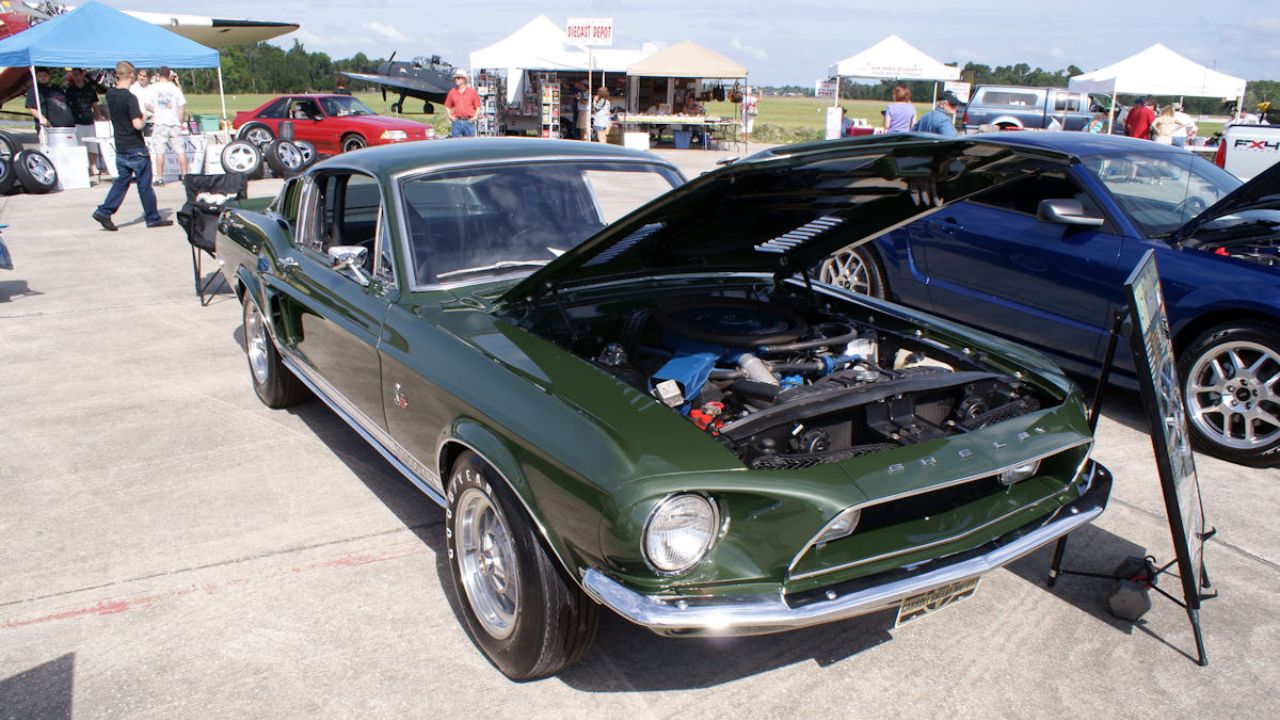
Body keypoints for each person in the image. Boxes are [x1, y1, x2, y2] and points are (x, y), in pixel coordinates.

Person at [92, 61, 172, 232]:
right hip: (135, 147)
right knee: (144, 185)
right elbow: (137, 125)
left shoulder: (111, 94)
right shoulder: (130, 98)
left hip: (120, 146)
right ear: (131, 75)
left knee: (121, 182)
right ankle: (152, 217)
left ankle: (104, 211)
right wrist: (145, 116)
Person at [146, 67, 187, 185]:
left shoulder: (153, 88)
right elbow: (181, 108)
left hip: (160, 122)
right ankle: (185, 176)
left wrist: (157, 111)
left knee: (160, 151)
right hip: (174, 122)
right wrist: (180, 122)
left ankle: (160, 177)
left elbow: (147, 105)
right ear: (169, 75)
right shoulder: (175, 88)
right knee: (180, 151)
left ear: (158, 75)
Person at [65, 68, 101, 175]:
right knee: (80, 146)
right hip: (77, 121)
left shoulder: (90, 89)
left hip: (89, 119)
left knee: (92, 145)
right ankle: (84, 167)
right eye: (74, 75)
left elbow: (94, 104)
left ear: (82, 75)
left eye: (78, 74)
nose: (76, 77)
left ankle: (94, 166)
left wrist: (97, 115)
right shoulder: (70, 90)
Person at [25, 67, 75, 135]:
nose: (43, 78)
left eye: (45, 76)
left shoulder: (57, 88)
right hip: (50, 128)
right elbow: (31, 107)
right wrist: (43, 120)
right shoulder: (35, 90)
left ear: (49, 76)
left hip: (68, 127)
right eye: (40, 76)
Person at [444, 68, 480, 137]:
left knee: (470, 145)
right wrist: (450, 116)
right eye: (455, 78)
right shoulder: (452, 92)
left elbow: (478, 106)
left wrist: (475, 116)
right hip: (457, 122)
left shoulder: (472, 92)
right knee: (456, 145)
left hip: (469, 122)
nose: (456, 80)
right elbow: (447, 105)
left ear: (464, 79)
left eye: (458, 78)